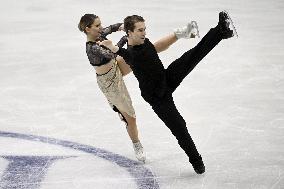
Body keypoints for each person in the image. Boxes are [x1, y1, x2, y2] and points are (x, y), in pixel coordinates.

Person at [100, 11, 237, 174]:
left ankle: (220, 31)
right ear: (130, 33)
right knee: (179, 126)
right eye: (140, 30)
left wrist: (116, 29)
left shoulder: (141, 41)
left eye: (145, 29)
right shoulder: (131, 54)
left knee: (191, 56)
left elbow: (126, 35)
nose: (144, 33)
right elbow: (124, 53)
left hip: (166, 78)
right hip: (157, 96)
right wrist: (113, 47)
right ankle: (196, 161)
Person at [78, 14, 197, 163]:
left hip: (116, 67)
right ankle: (136, 144)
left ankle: (182, 33)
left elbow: (112, 28)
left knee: (148, 51)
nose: (101, 28)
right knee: (131, 118)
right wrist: (125, 38)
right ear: (88, 29)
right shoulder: (92, 49)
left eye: (100, 24)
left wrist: (124, 26)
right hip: (110, 83)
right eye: (97, 26)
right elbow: (111, 53)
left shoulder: (100, 33)